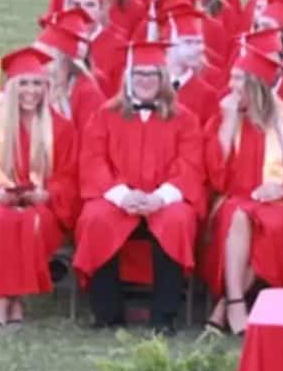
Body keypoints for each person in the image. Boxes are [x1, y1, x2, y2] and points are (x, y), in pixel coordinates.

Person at [74, 41, 205, 333]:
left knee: (177, 221)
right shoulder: (104, 115)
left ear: (163, 78)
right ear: (128, 78)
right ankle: (107, 313)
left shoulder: (185, 119)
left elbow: (190, 165)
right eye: (139, 74)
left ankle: (164, 316)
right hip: (117, 197)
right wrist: (122, 196)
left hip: (164, 200)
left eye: (152, 75)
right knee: (95, 219)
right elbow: (93, 161)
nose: (145, 81)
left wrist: (160, 198)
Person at [201, 46, 283, 334]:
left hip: (280, 203)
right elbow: (215, 178)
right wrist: (228, 125)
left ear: (256, 85)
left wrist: (281, 188)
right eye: (231, 77)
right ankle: (235, 302)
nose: (231, 86)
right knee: (238, 215)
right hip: (235, 198)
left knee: (272, 225)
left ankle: (224, 307)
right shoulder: (224, 117)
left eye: (239, 79)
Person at [0, 48, 80, 330]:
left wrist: (47, 194)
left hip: (45, 209)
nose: (31, 91)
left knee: (29, 221)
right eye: (23, 83)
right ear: (10, 88)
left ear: (46, 88)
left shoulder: (61, 129)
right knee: (2, 219)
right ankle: (9, 301)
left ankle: (4, 301)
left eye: (37, 83)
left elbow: (70, 177)